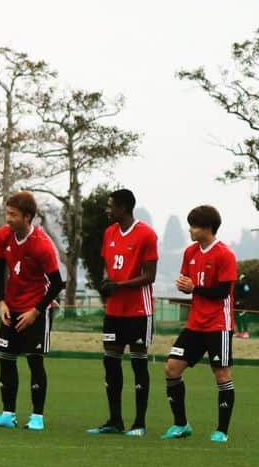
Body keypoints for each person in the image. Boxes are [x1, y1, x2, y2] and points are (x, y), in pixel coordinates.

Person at [0, 191, 65, 431]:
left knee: (34, 361)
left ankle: (37, 417)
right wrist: (1, 301)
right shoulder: (3, 236)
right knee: (6, 359)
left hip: (36, 310)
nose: (8, 219)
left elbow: (58, 283)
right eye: (7, 213)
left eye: (13, 215)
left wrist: (37, 311)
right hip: (11, 306)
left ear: (27, 217)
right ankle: (8, 414)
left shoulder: (41, 245)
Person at [162, 205, 238, 443]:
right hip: (195, 324)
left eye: (194, 226)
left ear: (207, 228)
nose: (190, 230)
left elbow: (223, 292)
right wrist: (185, 285)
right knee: (172, 369)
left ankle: (221, 431)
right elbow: (188, 281)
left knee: (221, 374)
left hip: (218, 324)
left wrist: (194, 288)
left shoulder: (225, 255)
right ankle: (181, 424)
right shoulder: (190, 252)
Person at [87, 188, 158, 437]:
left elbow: (150, 276)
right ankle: (114, 420)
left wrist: (120, 285)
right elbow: (109, 267)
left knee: (139, 364)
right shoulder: (109, 233)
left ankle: (139, 423)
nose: (108, 210)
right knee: (111, 364)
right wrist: (107, 284)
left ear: (124, 208)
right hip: (114, 311)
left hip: (139, 310)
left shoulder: (146, 235)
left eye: (111, 206)